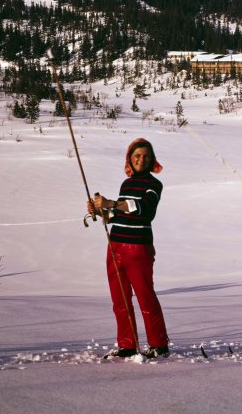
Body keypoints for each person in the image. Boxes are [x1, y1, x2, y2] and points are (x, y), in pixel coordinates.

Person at [87, 138, 169, 358]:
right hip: (115, 247)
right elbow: (120, 214)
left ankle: (159, 345)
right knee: (120, 299)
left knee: (145, 297)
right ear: (130, 159)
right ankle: (127, 345)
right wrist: (100, 212)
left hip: (138, 248)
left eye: (145, 156)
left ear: (152, 160)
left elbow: (145, 209)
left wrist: (111, 203)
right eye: (137, 156)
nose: (141, 160)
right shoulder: (127, 183)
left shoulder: (154, 185)